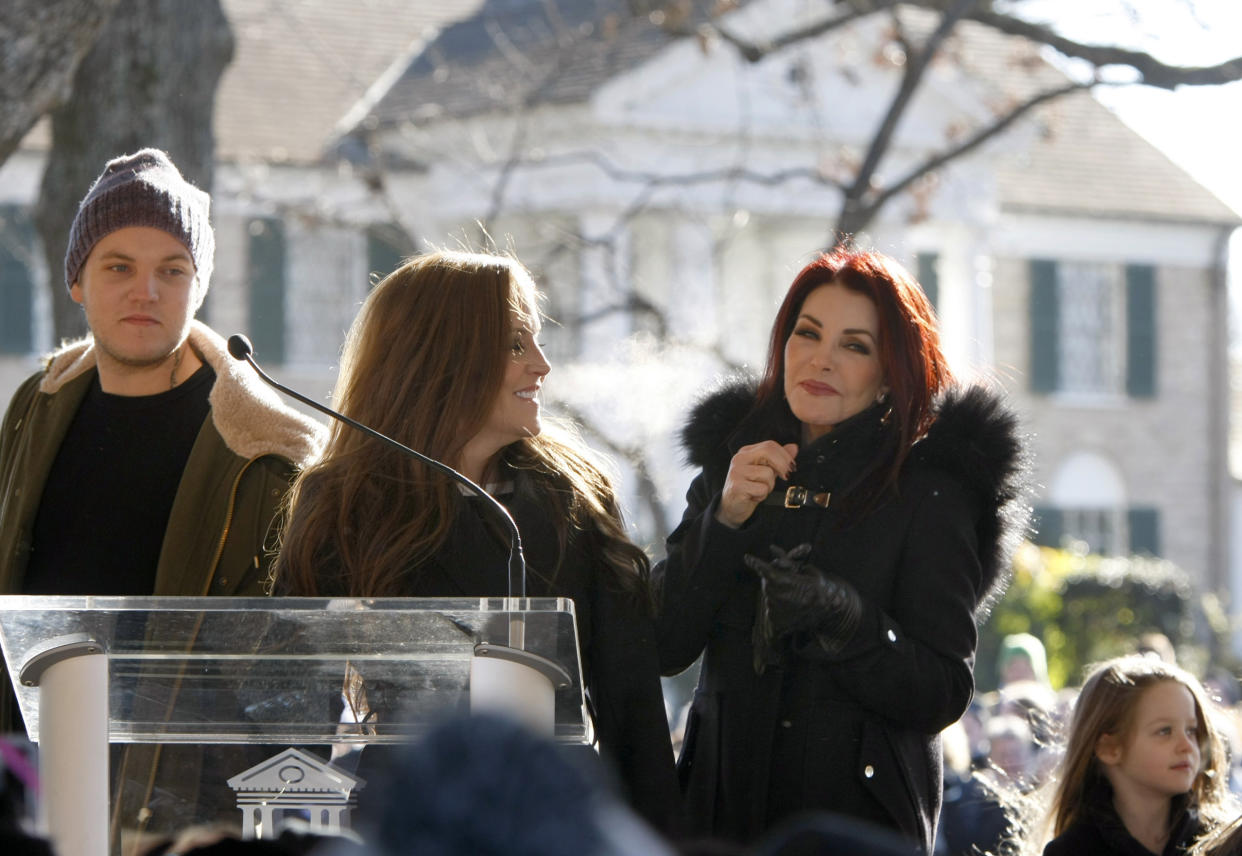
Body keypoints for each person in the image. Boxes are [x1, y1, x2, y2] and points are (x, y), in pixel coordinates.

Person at [271, 250, 680, 835]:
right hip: (407, 822)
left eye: (535, 342)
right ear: (440, 356)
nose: (541, 365)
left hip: (558, 821)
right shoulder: (342, 503)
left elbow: (631, 699)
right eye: (516, 344)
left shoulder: (574, 497)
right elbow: (290, 711)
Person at [0, 148, 326, 842]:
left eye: (171, 270)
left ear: (197, 286)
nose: (145, 290)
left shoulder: (271, 451)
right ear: (77, 282)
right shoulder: (35, 407)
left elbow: (296, 682)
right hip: (33, 788)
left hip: (185, 815)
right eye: (119, 266)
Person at [653, 248, 1028, 850]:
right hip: (720, 817)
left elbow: (943, 691)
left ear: (891, 371)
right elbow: (663, 643)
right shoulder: (736, 463)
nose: (820, 358)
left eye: (854, 345)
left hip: (858, 826)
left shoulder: (929, 491)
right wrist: (724, 521)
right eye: (807, 333)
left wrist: (846, 619)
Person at [1034, 655, 1235, 856]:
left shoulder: (1224, 843)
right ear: (1109, 748)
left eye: (1191, 730)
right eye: (1165, 731)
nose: (1187, 745)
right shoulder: (1073, 851)